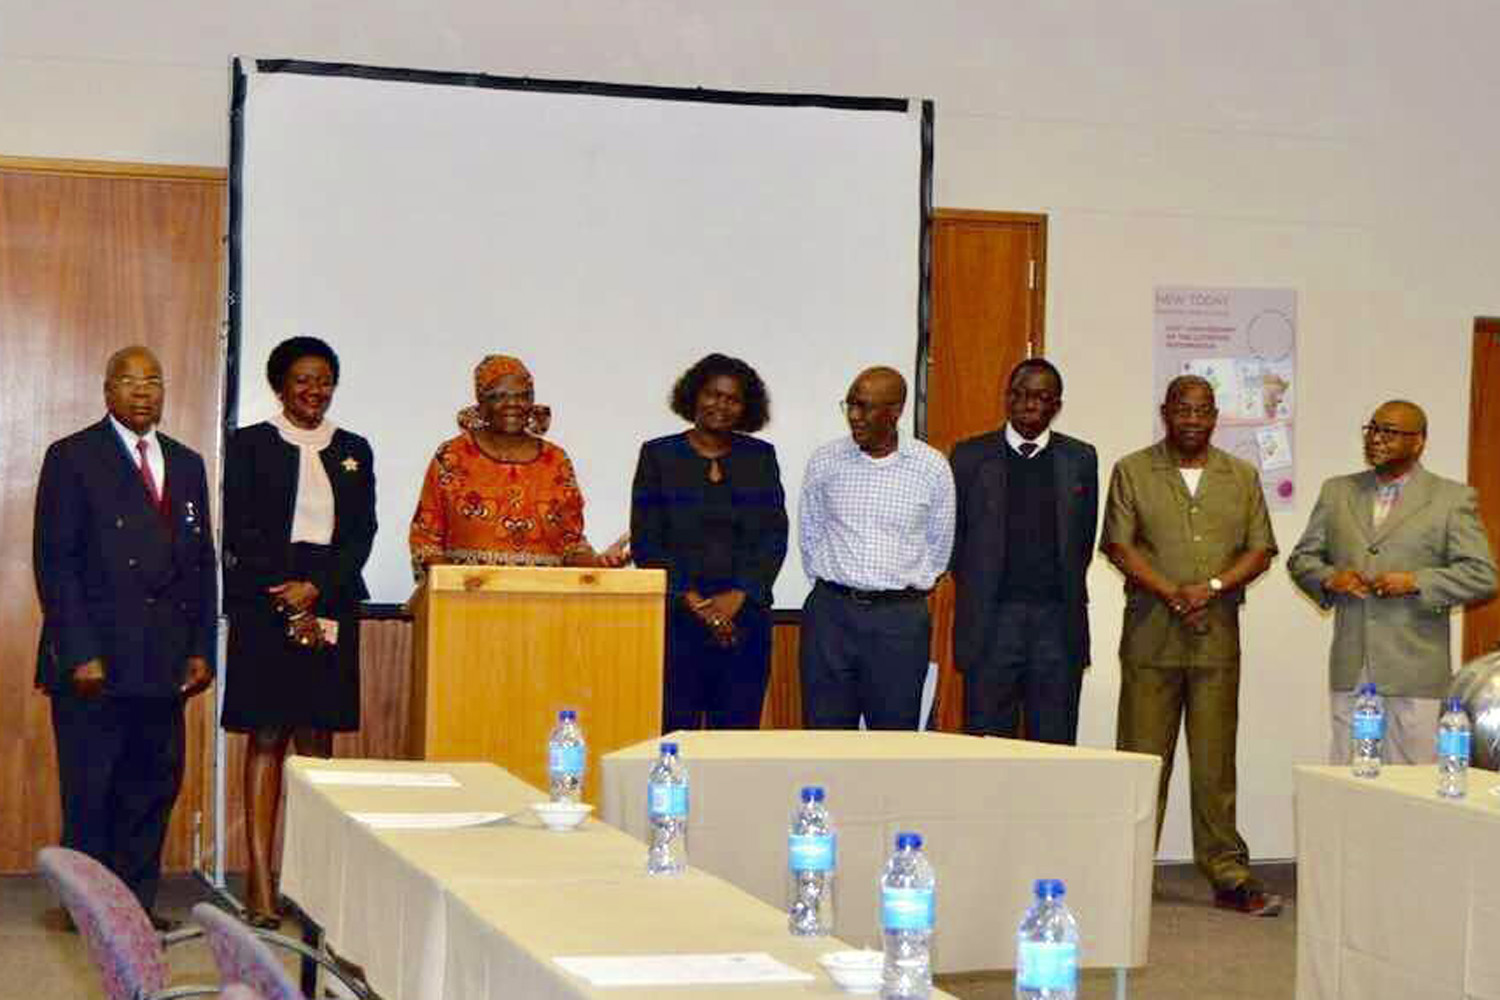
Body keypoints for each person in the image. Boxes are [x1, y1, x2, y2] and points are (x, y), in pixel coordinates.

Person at [33, 345, 217, 929]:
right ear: (107, 389)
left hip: (163, 662)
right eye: (130, 381)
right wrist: (79, 651)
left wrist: (200, 648)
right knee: (92, 792)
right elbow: (55, 562)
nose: (144, 392)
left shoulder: (187, 463)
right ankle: (89, 912)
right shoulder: (73, 457)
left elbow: (200, 564)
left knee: (150, 789)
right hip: (97, 663)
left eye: (154, 381)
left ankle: (135, 909)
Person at [1101, 375, 1281, 917]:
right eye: (1183, 409)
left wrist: (1214, 588)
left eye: (1203, 410)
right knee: (1141, 759)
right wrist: (1169, 591)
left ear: (1215, 416)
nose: (1193, 419)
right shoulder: (1133, 470)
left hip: (1216, 640)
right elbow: (1118, 544)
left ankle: (1227, 873)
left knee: (1214, 764)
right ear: (1166, 412)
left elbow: (1261, 549)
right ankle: (1125, 871)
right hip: (1151, 637)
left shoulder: (1241, 476)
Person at [220, 336, 377, 927]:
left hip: (331, 602)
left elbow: (361, 534)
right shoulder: (250, 446)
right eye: (302, 380)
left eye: (324, 380)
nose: (314, 391)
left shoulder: (354, 449)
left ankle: (310, 886)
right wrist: (288, 598)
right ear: (280, 386)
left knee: (318, 745)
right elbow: (239, 530)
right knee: (266, 737)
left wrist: (315, 591)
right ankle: (260, 883)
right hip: (266, 606)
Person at [1288, 399, 1497, 764]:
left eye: (1390, 432)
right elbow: (1302, 559)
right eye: (1372, 429)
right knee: (1348, 780)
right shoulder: (1337, 492)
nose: (1377, 439)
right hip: (1352, 666)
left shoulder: (1451, 498)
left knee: (1412, 786)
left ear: (1419, 442)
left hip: (1415, 670)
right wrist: (1329, 578)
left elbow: (1482, 574)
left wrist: (1416, 581)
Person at [631, 354, 788, 731]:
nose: (721, 405)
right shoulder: (658, 455)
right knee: (673, 734)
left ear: (746, 407)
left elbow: (773, 536)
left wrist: (737, 598)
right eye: (712, 394)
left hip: (744, 620)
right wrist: (698, 605)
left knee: (735, 739)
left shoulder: (760, 458)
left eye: (732, 399)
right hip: (677, 618)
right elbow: (647, 540)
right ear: (693, 396)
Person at [949, 358, 1098, 744]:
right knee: (986, 745)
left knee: (1054, 744)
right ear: (1007, 399)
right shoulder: (968, 457)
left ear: (1057, 406)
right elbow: (956, 540)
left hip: (1057, 624)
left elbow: (1082, 541)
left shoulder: (1080, 459)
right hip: (991, 624)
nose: (1028, 404)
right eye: (1020, 394)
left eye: (1040, 397)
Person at [798, 366, 955, 730]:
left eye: (865, 406)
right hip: (831, 617)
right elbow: (810, 533)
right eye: (850, 404)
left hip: (898, 622)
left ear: (896, 411)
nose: (854, 416)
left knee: (893, 738)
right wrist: (839, 585)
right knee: (824, 735)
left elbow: (939, 549)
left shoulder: (931, 467)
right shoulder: (825, 461)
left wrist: (897, 589)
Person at [410, 355, 621, 574]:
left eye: (523, 396)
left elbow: (570, 544)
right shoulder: (452, 456)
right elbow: (426, 540)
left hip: (544, 600)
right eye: (499, 395)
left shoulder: (556, 460)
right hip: (469, 598)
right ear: (481, 403)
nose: (513, 404)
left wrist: (599, 565)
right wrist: (452, 586)